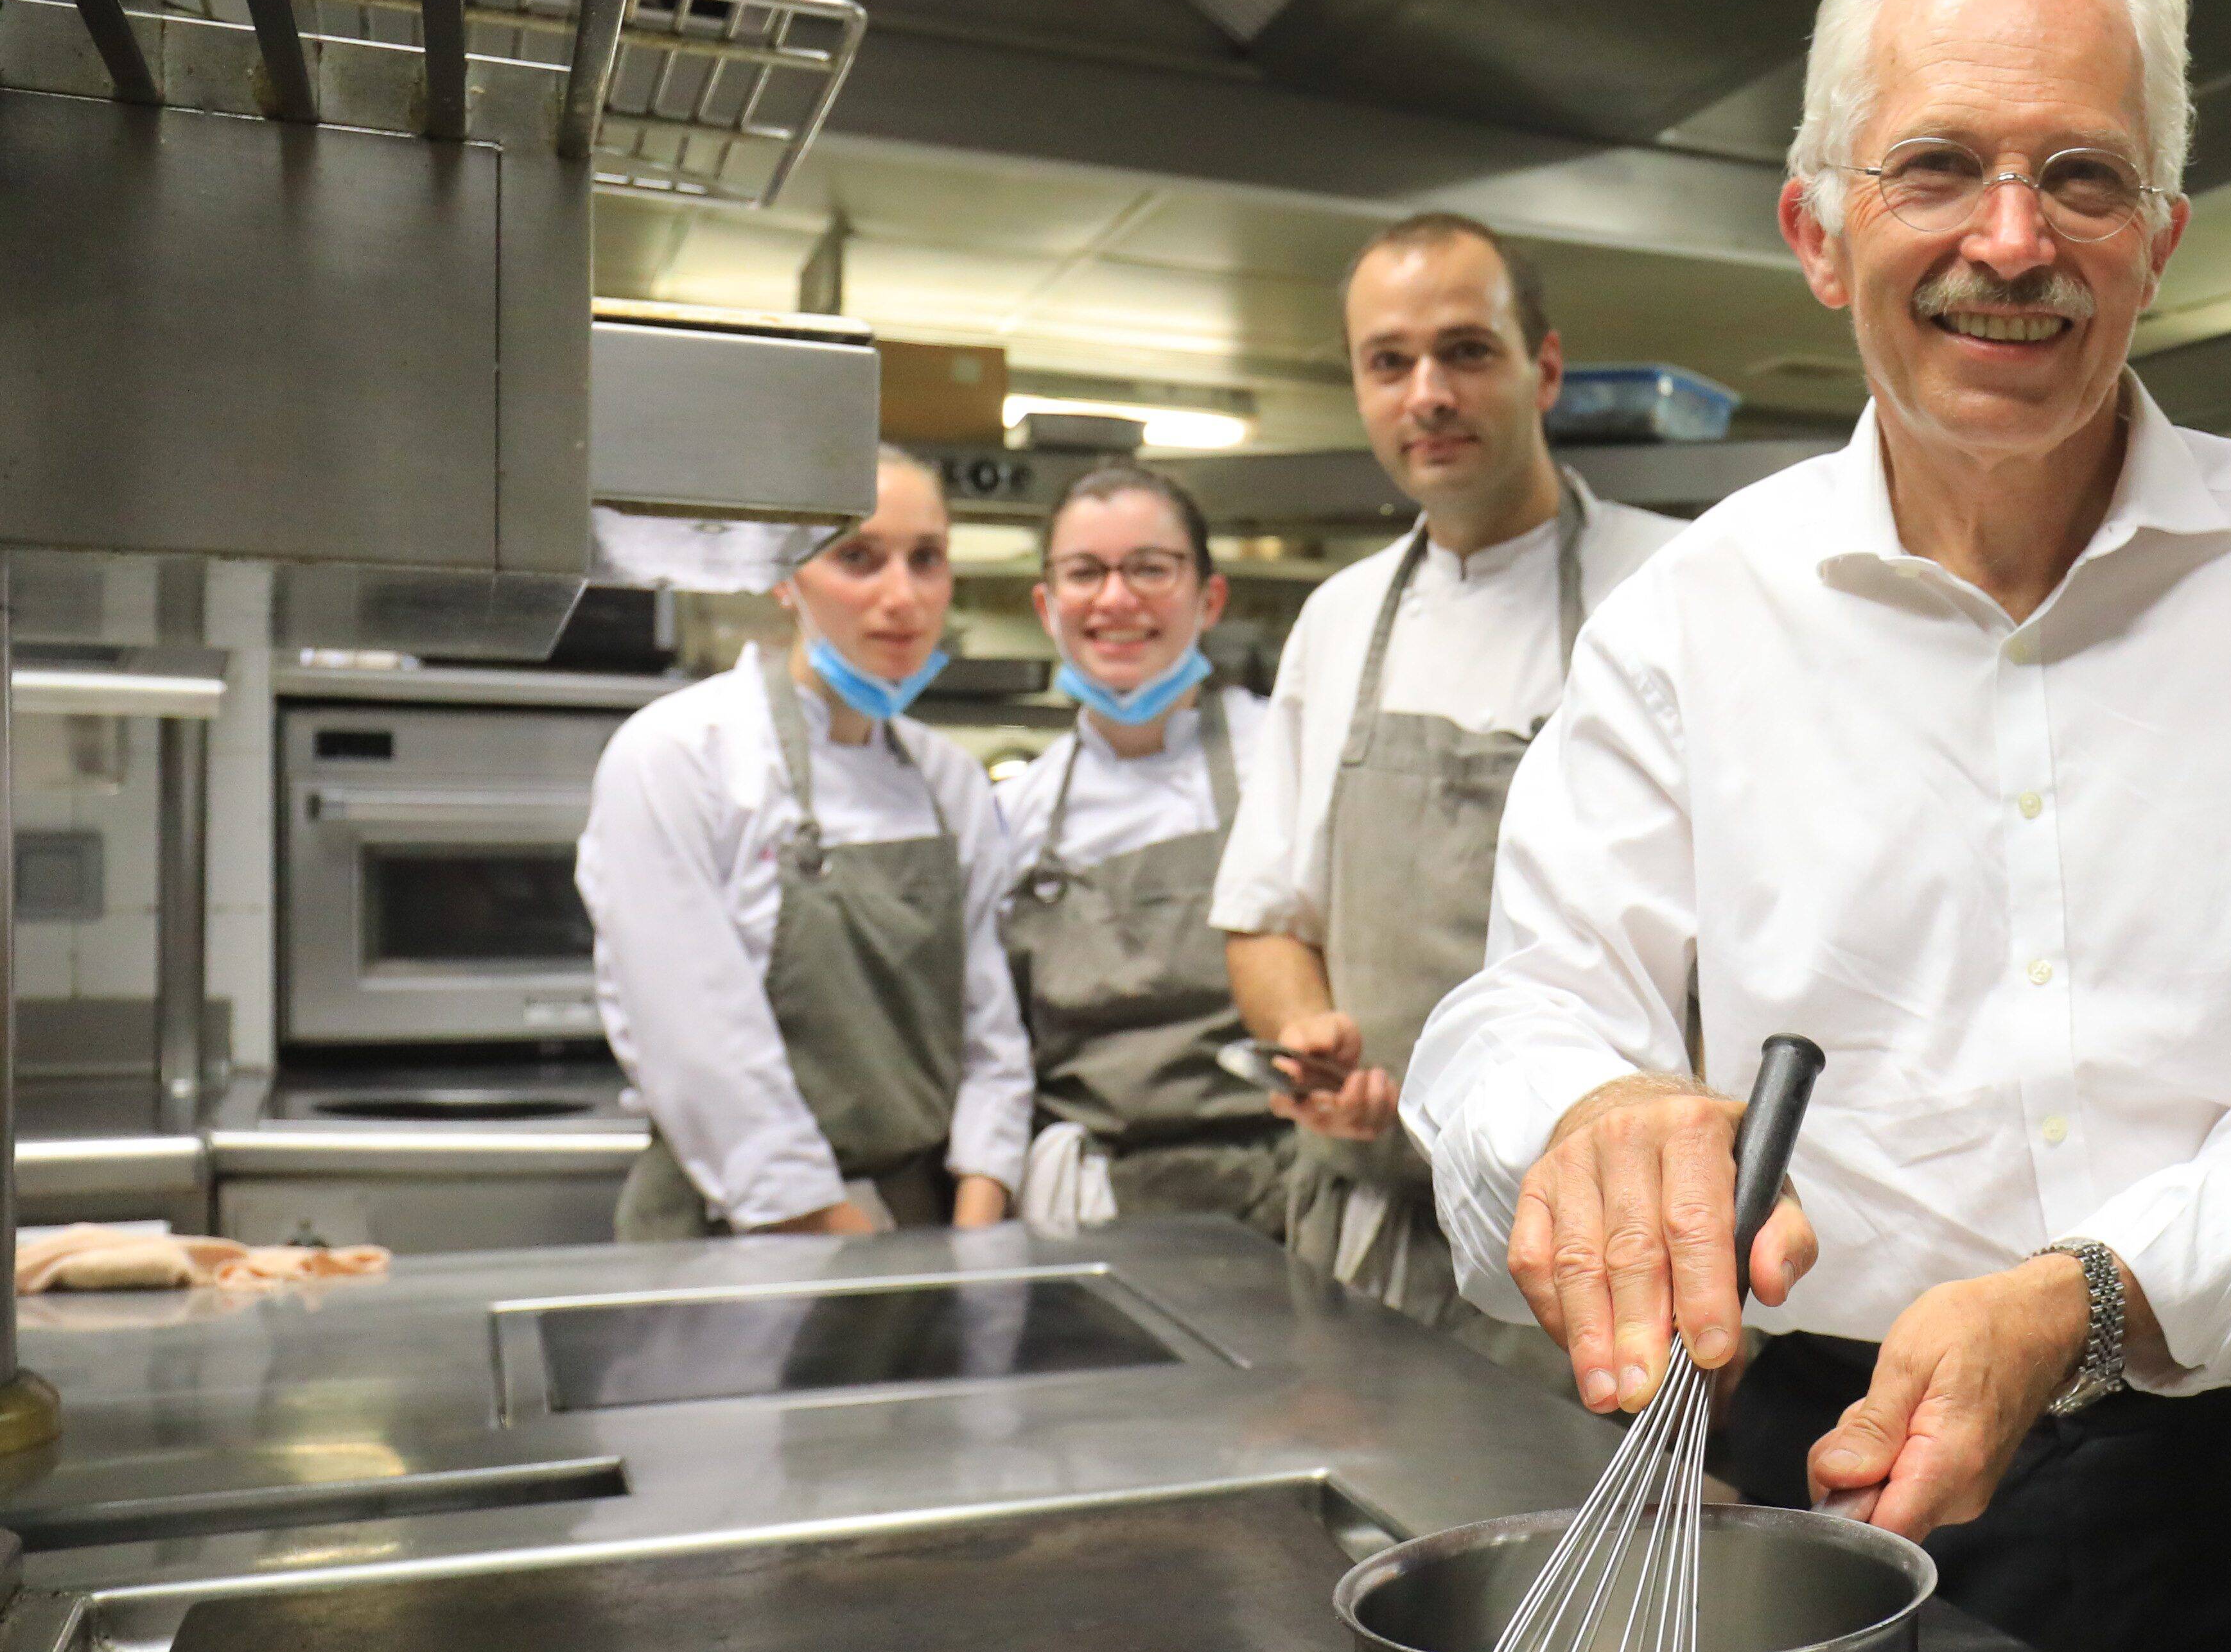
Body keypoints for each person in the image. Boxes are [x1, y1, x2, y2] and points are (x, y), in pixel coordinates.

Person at [1403, 0, 2231, 1652]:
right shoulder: (1686, 628)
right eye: (1936, 168)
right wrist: (1586, 1111)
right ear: (1816, 227)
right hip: (1830, 1493)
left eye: (2080, 175)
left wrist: (2080, 1303)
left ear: (2157, 237)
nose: (2011, 240)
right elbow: (1519, 1008)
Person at [1211, 214, 1677, 1343]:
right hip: (1365, 1234)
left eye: (1467, 351)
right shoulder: (1340, 618)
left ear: (1544, 368)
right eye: (1390, 362)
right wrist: (1312, 1031)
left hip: (1596, 1254)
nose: (1428, 392)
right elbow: (1268, 920)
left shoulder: (1670, 590)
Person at [585, 445, 1031, 1240]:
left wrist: (970, 1240)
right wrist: (848, 1243)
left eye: (926, 559)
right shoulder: (680, 756)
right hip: (734, 1231)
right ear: (784, 577)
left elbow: (991, 1037)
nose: (903, 596)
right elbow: (702, 1052)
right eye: (858, 558)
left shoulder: (953, 784)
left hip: (919, 1223)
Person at [994, 460, 1286, 1235]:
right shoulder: (1013, 814)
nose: (1116, 599)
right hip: (1089, 1208)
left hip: (1281, 1197)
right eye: (1085, 573)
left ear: (1210, 597)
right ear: (1047, 605)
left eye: (1150, 569)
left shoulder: (1287, 763)